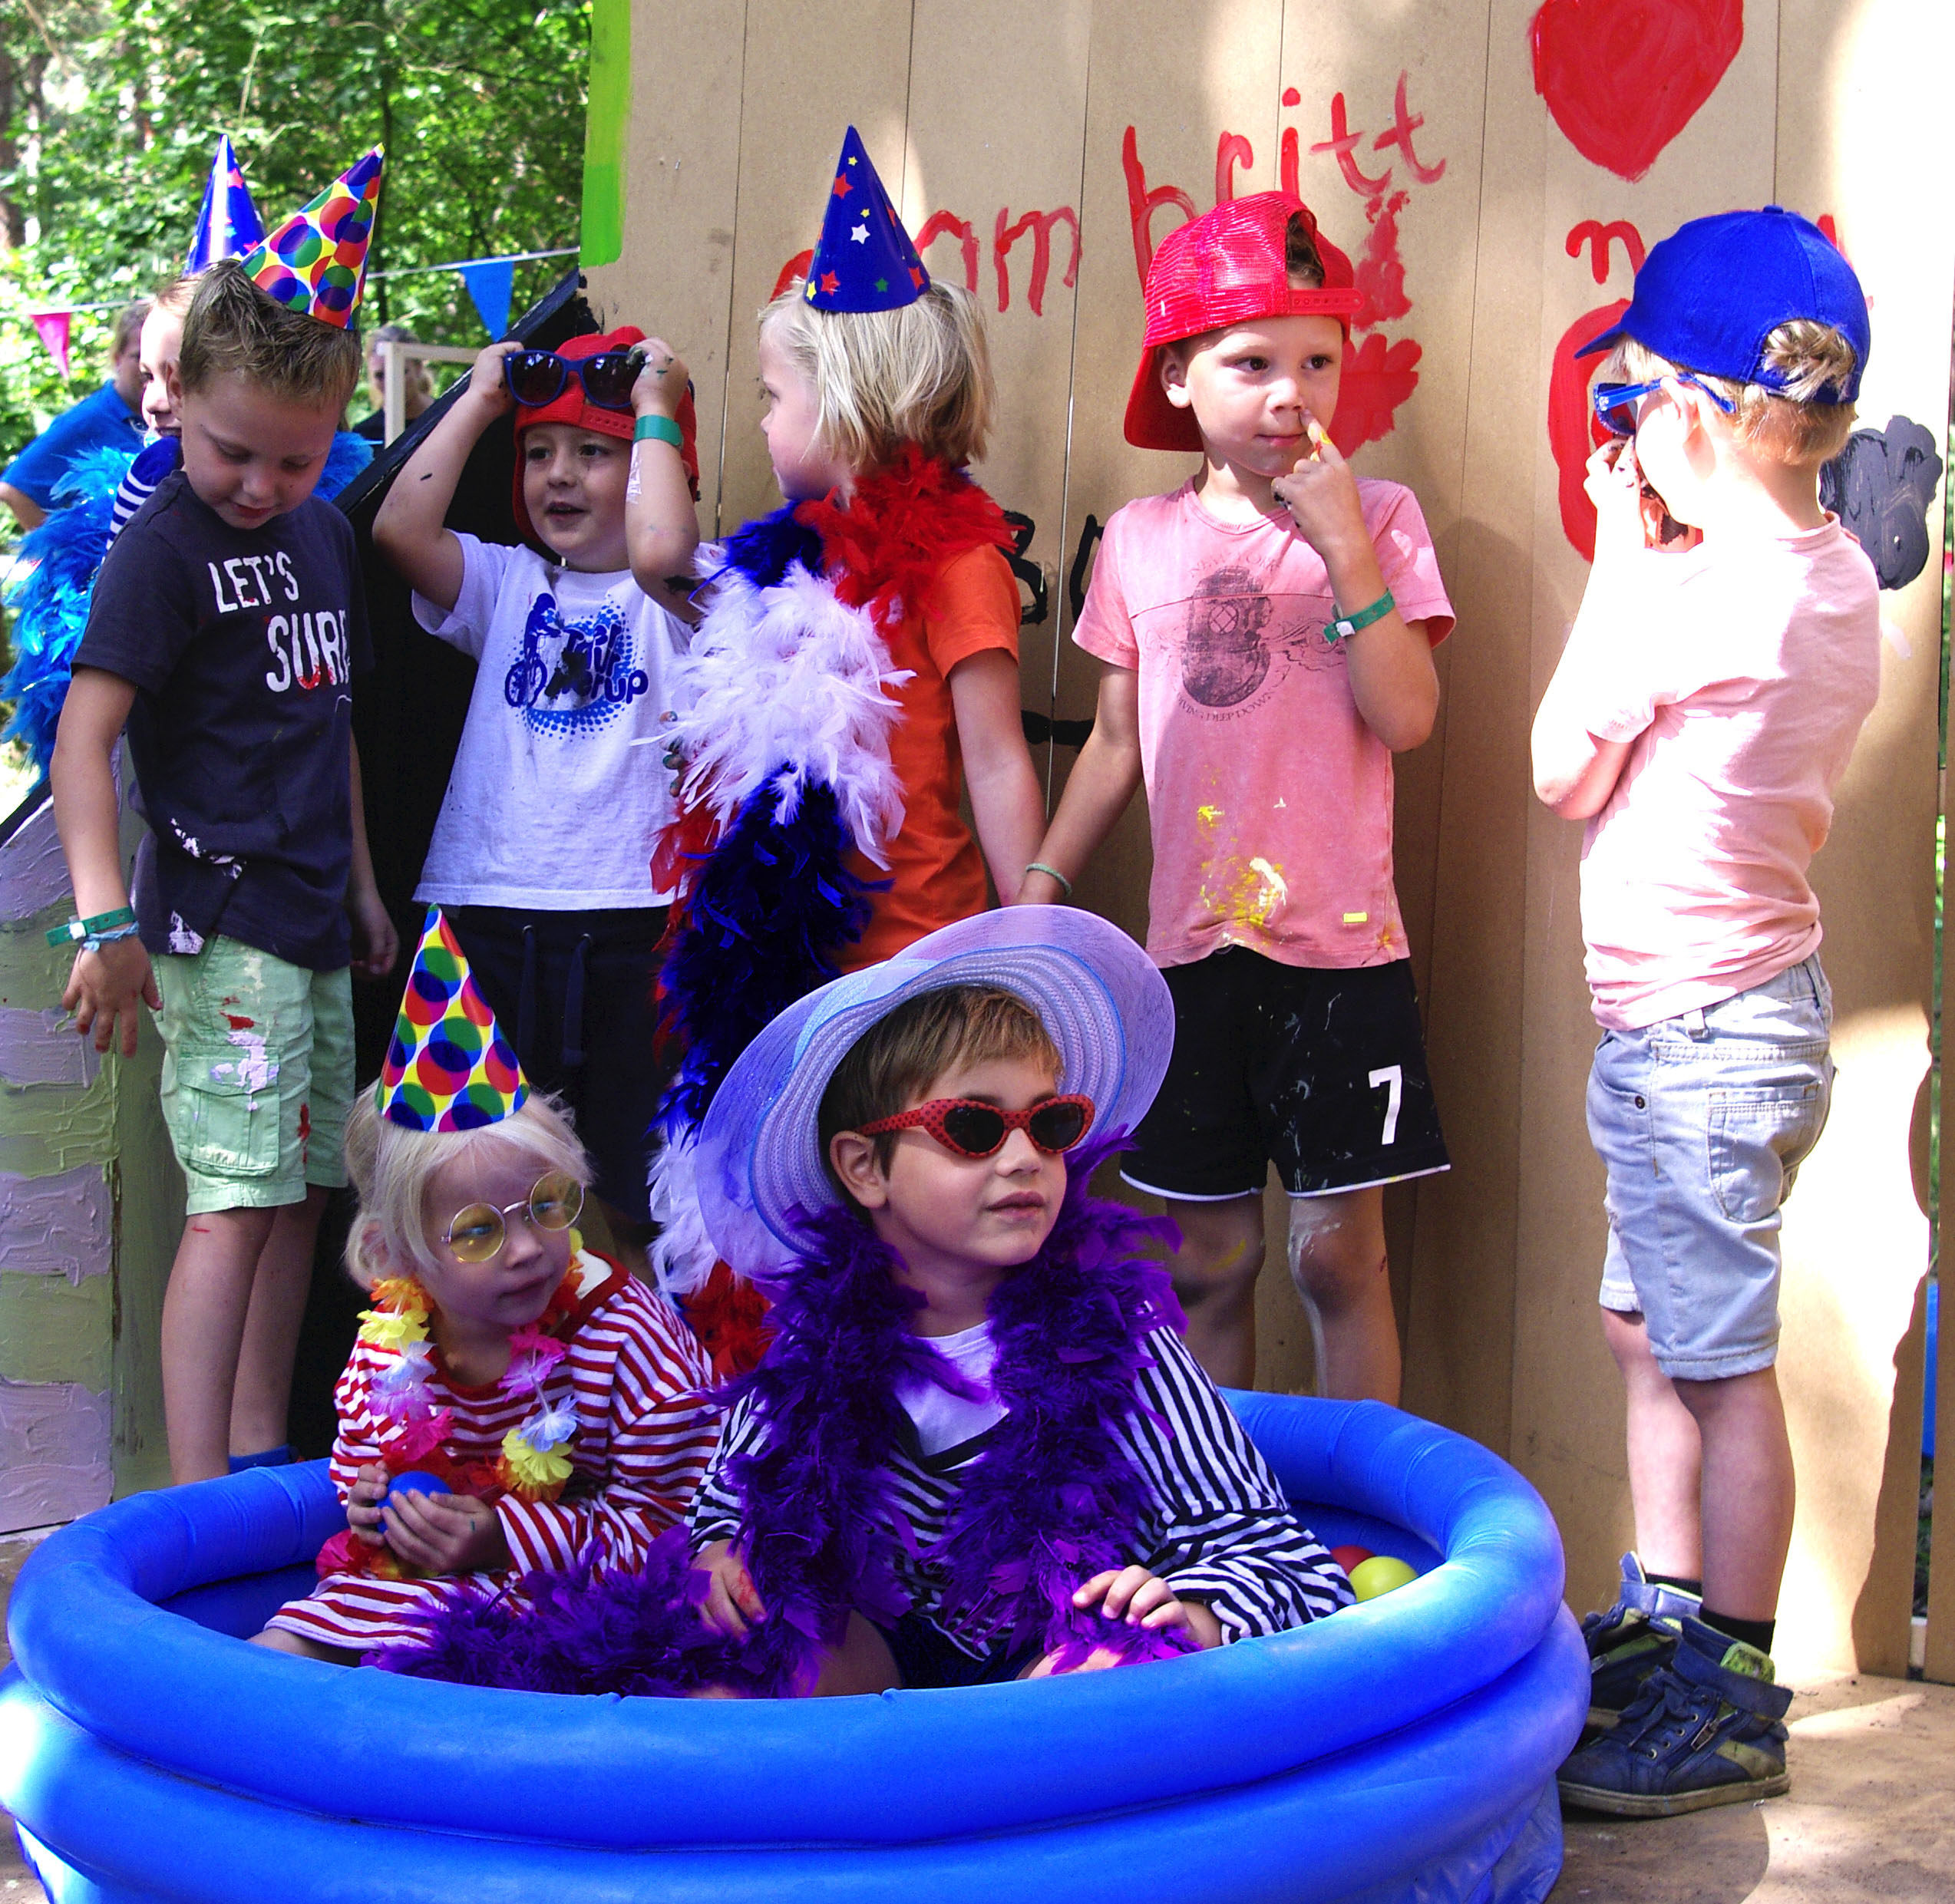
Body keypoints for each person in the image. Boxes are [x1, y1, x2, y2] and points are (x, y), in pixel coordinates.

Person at [378, 906, 1352, 1698]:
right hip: (879, 1662)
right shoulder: (812, 1353)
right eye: (975, 1128)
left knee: (1098, 1685)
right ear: (864, 1168)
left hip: (1058, 1660)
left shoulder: (1122, 1348)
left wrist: (1193, 1611)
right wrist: (719, 1555)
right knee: (727, 1678)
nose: (1025, 1157)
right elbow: (724, 1507)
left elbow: (1282, 1557)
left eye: (1051, 1124)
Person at [1531, 206, 1879, 1815]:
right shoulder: (1828, 575)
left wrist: (1618, 560)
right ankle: (1670, 1617)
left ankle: (1729, 1685)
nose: (1616, 436)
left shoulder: (1687, 600)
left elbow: (1560, 768)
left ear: (1680, 414)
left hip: (1696, 1037)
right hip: (1727, 1020)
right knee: (1652, 1328)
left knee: (1717, 1363)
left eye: (1623, 401)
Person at [1016, 193, 1455, 1403]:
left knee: (1336, 1259)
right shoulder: (1139, 540)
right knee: (1206, 1262)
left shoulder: (1380, 518)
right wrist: (1042, 884)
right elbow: (1114, 740)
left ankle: (1353, 1501)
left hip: (1342, 956)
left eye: (1317, 362)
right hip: (1188, 958)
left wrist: (1342, 548)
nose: (1288, 394)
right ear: (1176, 376)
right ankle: (1225, 1495)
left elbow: (1407, 717)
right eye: (1252, 362)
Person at [647, 127, 1045, 1308]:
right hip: (791, 964)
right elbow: (661, 555)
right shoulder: (781, 569)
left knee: (908, 1241)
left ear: (848, 404)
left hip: (915, 963)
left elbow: (996, 757)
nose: (764, 424)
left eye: (773, 399)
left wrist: (1031, 924)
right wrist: (658, 412)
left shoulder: (958, 562)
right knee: (796, 1239)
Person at [47, 153, 398, 1487]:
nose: (259, 484)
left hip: (314, 915)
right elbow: (85, 740)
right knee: (234, 1202)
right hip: (219, 915)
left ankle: (257, 1452)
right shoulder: (161, 549)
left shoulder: (324, 539)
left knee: (303, 1189)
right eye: (232, 451)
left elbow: (331, 717)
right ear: (177, 398)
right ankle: (194, 1495)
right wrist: (105, 922)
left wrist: (362, 884)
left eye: (295, 460)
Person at [255, 911, 722, 1662]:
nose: (529, 1249)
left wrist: (505, 1533)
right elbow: (360, 1461)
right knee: (278, 1652)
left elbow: (684, 1525)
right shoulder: (390, 1351)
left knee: (438, 1682)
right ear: (395, 1254)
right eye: (477, 1231)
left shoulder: (625, 1336)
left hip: (583, 1600)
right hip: (420, 1584)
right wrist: (370, 1501)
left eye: (546, 1205)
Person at [371, 325, 700, 1267]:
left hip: (635, 925)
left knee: (641, 1196)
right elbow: (399, 532)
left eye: (593, 453)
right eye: (539, 453)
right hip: (486, 915)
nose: (558, 475)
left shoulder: (685, 591)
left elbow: (665, 551)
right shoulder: (506, 580)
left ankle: (646, 1352)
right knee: (473, 1183)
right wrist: (478, 399)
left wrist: (654, 411)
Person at [0, 299, 147, 531]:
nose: (147, 367)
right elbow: (13, 489)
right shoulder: (88, 420)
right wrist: (63, 548)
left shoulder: (169, 412)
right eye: (138, 356)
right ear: (117, 359)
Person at [352, 322, 435, 442]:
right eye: (380, 375)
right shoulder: (365, 436)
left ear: (418, 368)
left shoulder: (449, 418)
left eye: (400, 372)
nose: (391, 383)